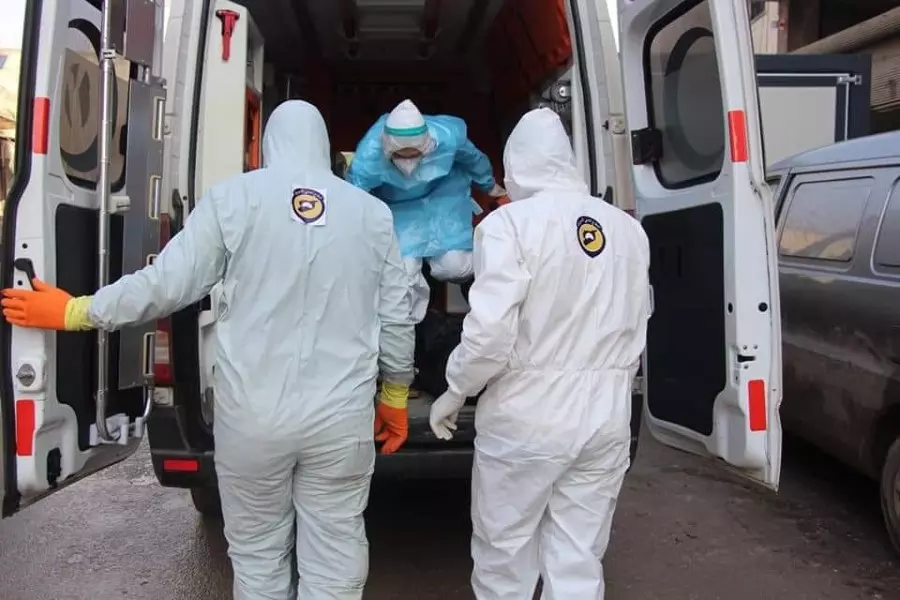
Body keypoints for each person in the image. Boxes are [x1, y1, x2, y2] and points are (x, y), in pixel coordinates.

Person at [2, 100, 415, 600]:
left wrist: (76, 311)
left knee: (259, 559)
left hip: (252, 422)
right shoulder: (372, 215)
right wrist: (395, 396)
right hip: (340, 423)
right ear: (325, 147)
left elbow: (164, 285)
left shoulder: (233, 201)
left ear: (268, 147)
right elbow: (398, 315)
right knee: (335, 561)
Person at [429, 108, 651, 599]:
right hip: (606, 417)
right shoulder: (628, 230)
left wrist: (456, 389)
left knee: (504, 554)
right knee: (578, 556)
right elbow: (638, 319)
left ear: (516, 165)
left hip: (526, 416)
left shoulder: (508, 225)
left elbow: (489, 335)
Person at [346, 99, 507, 326]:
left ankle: (475, 309)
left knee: (456, 267)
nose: (408, 163)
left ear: (427, 145)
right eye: (401, 156)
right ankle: (409, 328)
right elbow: (354, 194)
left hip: (445, 196)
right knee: (403, 275)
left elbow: (473, 159)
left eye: (414, 155)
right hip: (400, 207)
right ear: (388, 149)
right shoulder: (369, 156)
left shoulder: (449, 137)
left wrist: (489, 185)